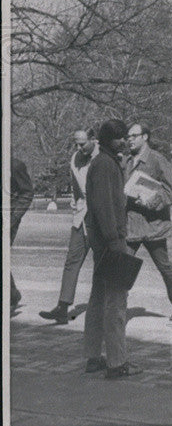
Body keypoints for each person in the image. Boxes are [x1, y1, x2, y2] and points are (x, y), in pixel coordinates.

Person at [83, 119, 140, 378]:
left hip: (101, 244)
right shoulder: (106, 164)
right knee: (116, 304)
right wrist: (116, 243)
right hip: (111, 243)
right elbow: (105, 208)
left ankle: (93, 356)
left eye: (126, 137)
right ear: (108, 140)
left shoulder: (104, 162)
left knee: (97, 300)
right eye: (120, 138)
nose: (125, 141)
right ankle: (117, 363)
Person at [124, 122, 172, 321]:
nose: (129, 139)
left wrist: (152, 201)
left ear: (145, 137)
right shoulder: (125, 161)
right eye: (128, 136)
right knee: (122, 266)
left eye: (134, 135)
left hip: (153, 226)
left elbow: (171, 191)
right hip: (130, 225)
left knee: (164, 266)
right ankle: (118, 307)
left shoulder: (158, 160)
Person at [40, 128, 99, 323]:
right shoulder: (75, 158)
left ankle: (110, 308)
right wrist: (76, 207)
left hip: (101, 219)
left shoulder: (104, 157)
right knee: (72, 260)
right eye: (76, 143)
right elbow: (75, 188)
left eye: (82, 144)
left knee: (105, 264)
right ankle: (63, 307)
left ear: (93, 140)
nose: (78, 147)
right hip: (81, 217)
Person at [9, 157, 34, 312]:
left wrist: (13, 218)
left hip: (8, 218)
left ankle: (11, 297)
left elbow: (27, 193)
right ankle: (12, 295)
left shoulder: (16, 165)